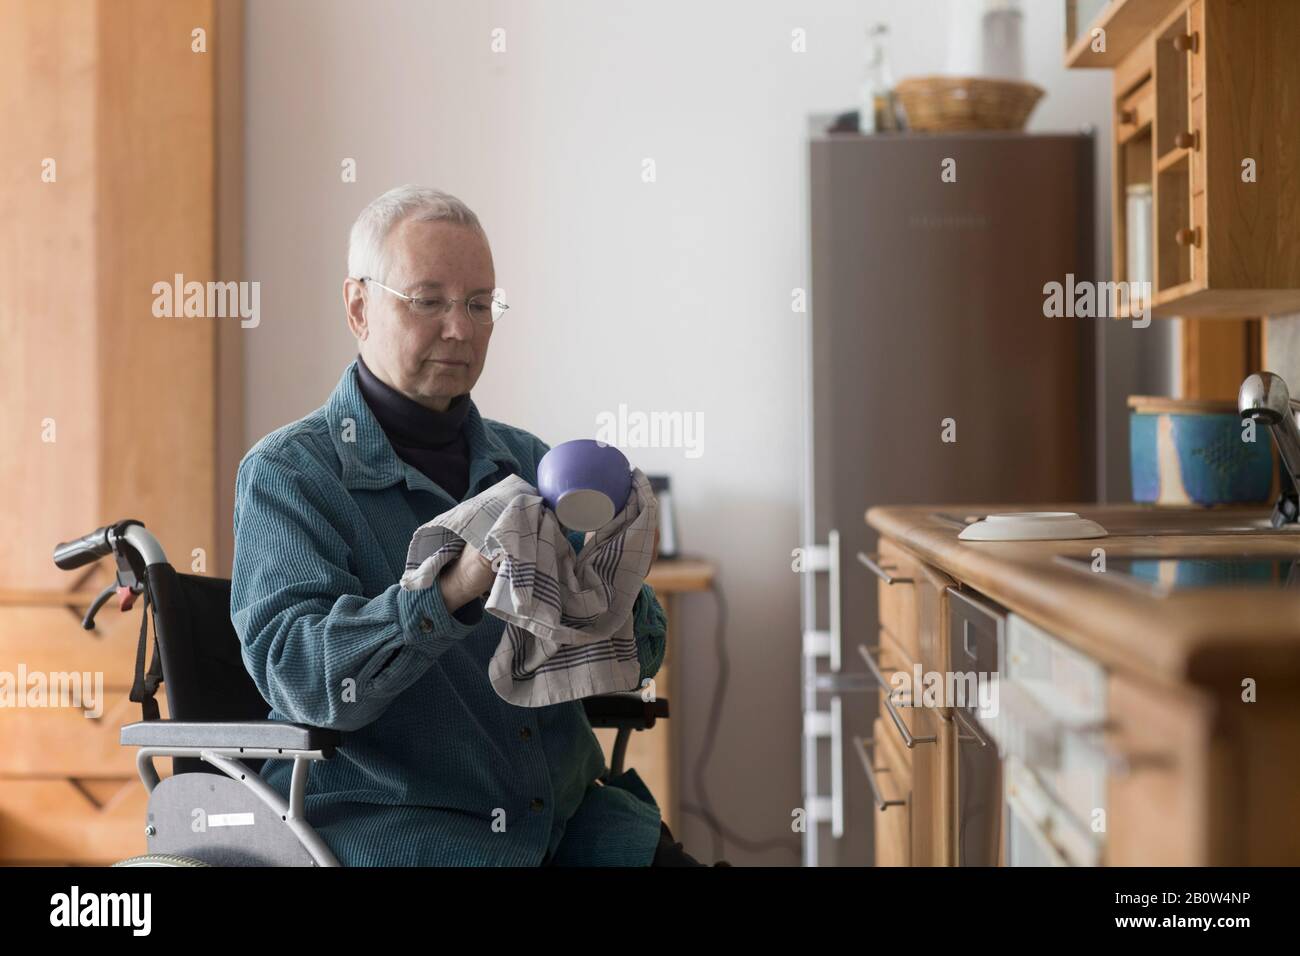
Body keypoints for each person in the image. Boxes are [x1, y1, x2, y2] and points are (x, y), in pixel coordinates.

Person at [230, 184, 714, 866]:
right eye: (428, 301)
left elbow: (637, 663)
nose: (461, 328)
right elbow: (304, 679)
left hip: (577, 830)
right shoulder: (290, 475)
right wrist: (449, 590)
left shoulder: (530, 462)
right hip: (407, 835)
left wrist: (618, 574)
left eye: (480, 305)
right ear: (359, 306)